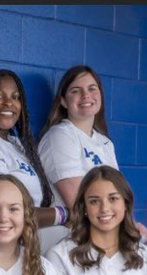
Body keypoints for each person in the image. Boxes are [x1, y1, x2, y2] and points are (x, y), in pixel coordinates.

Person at [0, 70, 65, 231]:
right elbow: (5, 212)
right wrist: (64, 214)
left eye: (15, 97)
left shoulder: (15, 143)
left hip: (30, 236)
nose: (9, 102)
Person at [37, 65, 118, 211]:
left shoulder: (105, 143)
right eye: (76, 90)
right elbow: (78, 205)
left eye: (92, 88)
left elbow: (118, 195)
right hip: (70, 230)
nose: (86, 95)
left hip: (103, 222)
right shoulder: (60, 136)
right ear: (63, 101)